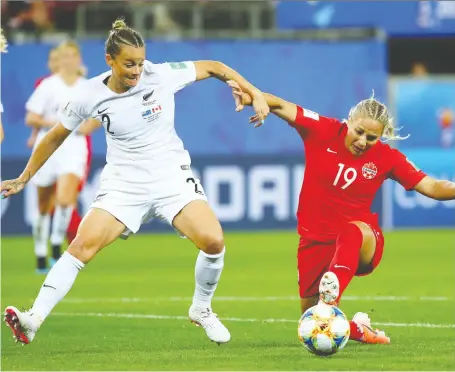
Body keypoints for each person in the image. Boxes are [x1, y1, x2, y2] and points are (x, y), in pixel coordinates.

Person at [2, 18, 269, 345]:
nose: (137, 71)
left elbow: (213, 66)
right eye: (129, 64)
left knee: (213, 242)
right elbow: (54, 137)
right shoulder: (89, 95)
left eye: (141, 63)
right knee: (81, 247)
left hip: (171, 177)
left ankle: (201, 309)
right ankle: (33, 319)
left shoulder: (160, 75)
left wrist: (253, 91)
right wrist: (23, 178)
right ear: (109, 60)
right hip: (123, 185)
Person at [228, 81, 455, 344]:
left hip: (361, 241)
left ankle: (332, 288)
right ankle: (362, 331)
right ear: (349, 121)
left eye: (372, 138)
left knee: (351, 229)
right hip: (314, 241)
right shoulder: (322, 129)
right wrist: (255, 97)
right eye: (359, 132)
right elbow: (281, 105)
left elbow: (432, 186)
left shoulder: (387, 157)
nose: (363, 141)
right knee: (313, 323)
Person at [24, 41, 99, 274]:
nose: (67, 61)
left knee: (66, 199)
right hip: (48, 143)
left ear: (78, 59)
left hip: (74, 145)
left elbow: (100, 113)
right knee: (44, 205)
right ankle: (40, 254)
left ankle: (56, 248)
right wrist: (58, 125)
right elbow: (31, 117)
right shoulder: (48, 86)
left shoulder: (88, 87)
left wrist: (88, 127)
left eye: (71, 56)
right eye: (63, 56)